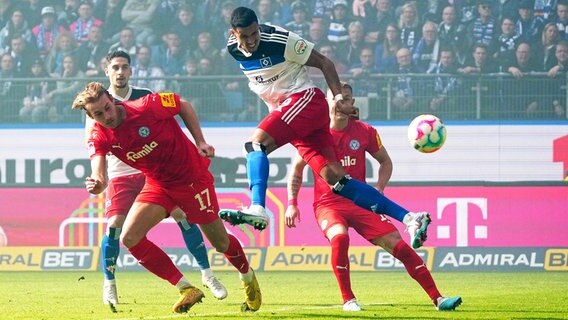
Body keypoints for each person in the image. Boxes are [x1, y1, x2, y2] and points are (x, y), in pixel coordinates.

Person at [220, 6, 431, 249]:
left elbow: (325, 63)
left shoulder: (280, 40)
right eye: (245, 36)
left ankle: (258, 206)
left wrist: (339, 99)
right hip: (294, 115)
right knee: (338, 181)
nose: (252, 40)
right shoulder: (232, 48)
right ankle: (411, 218)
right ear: (234, 34)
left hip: (304, 101)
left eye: (254, 33)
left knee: (256, 145)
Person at [72, 82, 262, 313]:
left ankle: (247, 275)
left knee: (220, 243)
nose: (107, 116)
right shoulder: (99, 135)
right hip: (159, 184)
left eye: (107, 108)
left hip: (193, 178)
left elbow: (183, 105)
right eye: (98, 114)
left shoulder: (146, 106)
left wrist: (200, 141)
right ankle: (186, 288)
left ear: (112, 100)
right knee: (130, 237)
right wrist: (97, 184)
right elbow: (99, 174)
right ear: (91, 116)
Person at [284, 82, 463, 312]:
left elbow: (385, 161)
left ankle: (438, 299)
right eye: (336, 98)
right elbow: (296, 170)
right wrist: (291, 204)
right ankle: (349, 300)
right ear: (326, 102)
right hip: (328, 205)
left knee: (398, 245)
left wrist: (379, 188)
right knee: (339, 238)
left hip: (361, 202)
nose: (341, 103)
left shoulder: (365, 132)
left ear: (352, 103)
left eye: (346, 99)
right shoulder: (316, 134)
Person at [89, 50, 227, 306]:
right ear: (107, 71)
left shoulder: (143, 97)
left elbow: (178, 107)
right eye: (115, 67)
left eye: (124, 67)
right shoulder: (94, 107)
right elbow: (96, 150)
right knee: (115, 228)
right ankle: (109, 282)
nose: (120, 72)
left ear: (131, 71)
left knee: (183, 217)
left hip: (150, 172)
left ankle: (207, 274)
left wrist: (198, 143)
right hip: (120, 175)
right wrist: (99, 179)